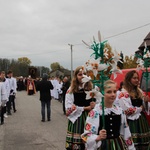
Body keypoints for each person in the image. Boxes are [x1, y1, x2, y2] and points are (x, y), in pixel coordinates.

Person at [81, 80, 135, 150]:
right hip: (102, 146)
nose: (113, 94)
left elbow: (126, 132)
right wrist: (98, 137)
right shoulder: (95, 112)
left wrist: (131, 147)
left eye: (114, 92)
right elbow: (86, 136)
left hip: (118, 145)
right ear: (102, 93)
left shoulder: (119, 111)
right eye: (109, 92)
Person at [65, 66, 95, 150]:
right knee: (77, 145)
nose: (82, 76)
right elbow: (68, 109)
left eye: (84, 74)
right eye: (80, 74)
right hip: (77, 119)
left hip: (90, 118)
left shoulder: (91, 89)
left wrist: (94, 105)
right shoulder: (71, 90)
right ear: (76, 76)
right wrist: (86, 108)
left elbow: (99, 103)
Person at [118, 70, 150, 150]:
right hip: (131, 122)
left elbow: (146, 108)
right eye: (134, 78)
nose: (137, 80)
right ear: (129, 79)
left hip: (142, 121)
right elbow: (127, 110)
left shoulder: (139, 91)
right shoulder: (123, 93)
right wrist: (140, 108)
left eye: (137, 78)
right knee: (133, 144)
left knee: (144, 144)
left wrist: (146, 102)